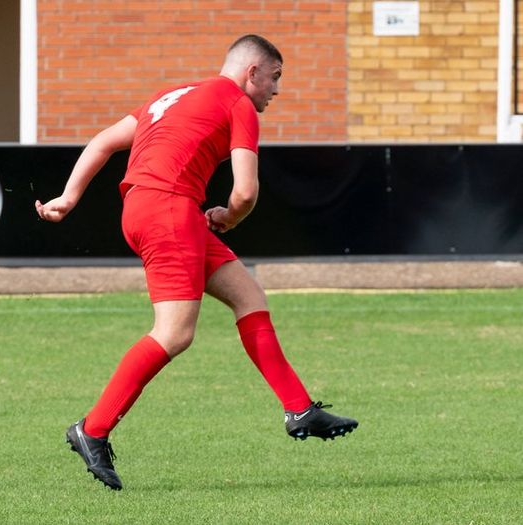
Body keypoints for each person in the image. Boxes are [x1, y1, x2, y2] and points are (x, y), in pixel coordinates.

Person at [35, 34, 358, 491]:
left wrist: (68, 198)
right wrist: (228, 215)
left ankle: (300, 408)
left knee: (248, 295)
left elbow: (104, 141)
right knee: (174, 333)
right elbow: (245, 192)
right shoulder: (237, 104)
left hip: (150, 209)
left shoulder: (171, 95)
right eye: (275, 77)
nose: (276, 90)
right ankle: (93, 429)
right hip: (170, 210)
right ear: (252, 73)